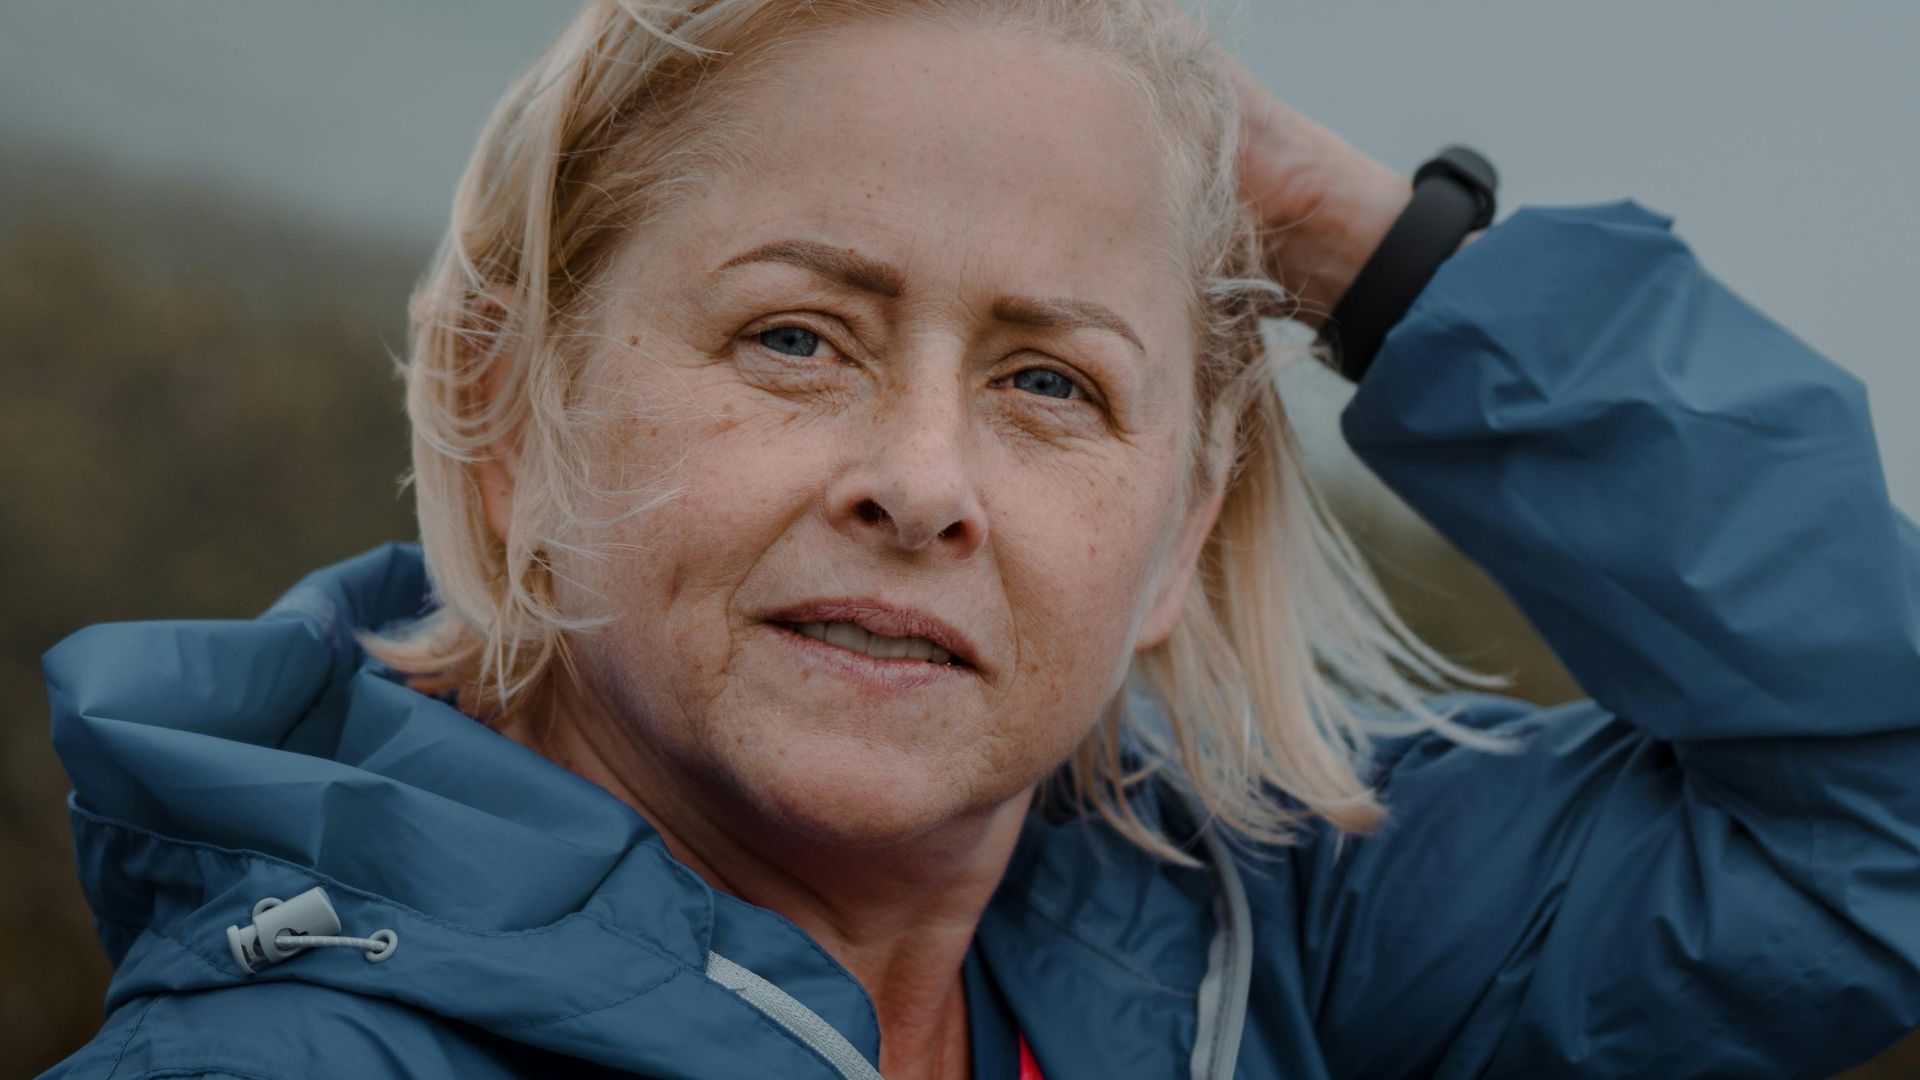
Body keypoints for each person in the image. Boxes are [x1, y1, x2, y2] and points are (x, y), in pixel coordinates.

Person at [40, 1, 1920, 1077]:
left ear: (1180, 532)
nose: (922, 478)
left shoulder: (1262, 947)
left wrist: (1346, 233)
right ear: (506, 415)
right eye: (796, 337)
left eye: (1051, 384)